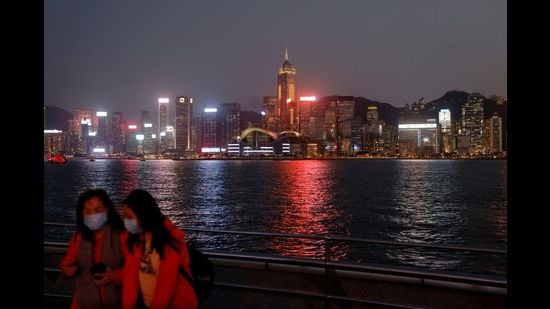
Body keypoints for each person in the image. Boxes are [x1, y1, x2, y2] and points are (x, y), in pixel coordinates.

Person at [120, 189, 198, 309]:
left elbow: (166, 284)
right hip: (148, 303)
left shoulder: (171, 238)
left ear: (143, 215)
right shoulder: (135, 239)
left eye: (128, 217)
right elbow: (130, 280)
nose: (125, 221)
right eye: (124, 216)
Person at [60, 188, 128, 309]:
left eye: (98, 210)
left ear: (108, 210)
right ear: (82, 213)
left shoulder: (122, 236)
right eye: (88, 211)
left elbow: (135, 270)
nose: (93, 215)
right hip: (83, 302)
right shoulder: (78, 238)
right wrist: (67, 269)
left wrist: (114, 276)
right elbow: (68, 261)